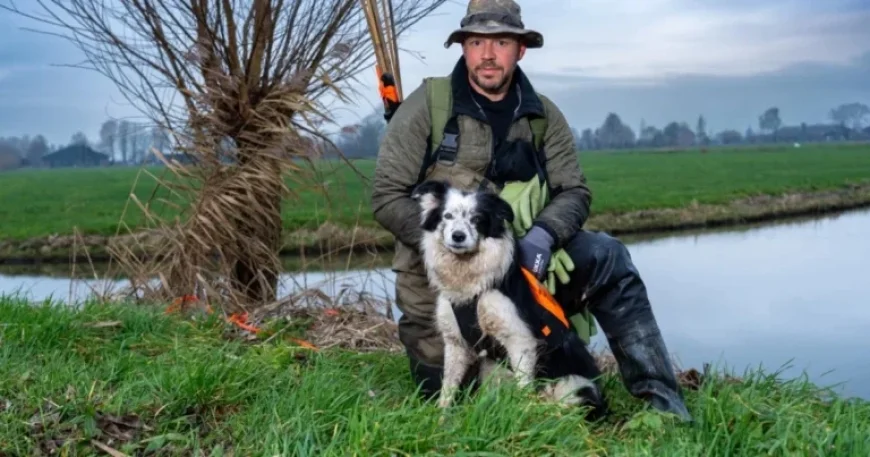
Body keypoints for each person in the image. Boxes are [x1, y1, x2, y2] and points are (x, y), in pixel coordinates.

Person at [370, 0, 693, 422]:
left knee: (608, 255)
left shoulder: (544, 116)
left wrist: (542, 237)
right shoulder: (427, 106)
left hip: (525, 273)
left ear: (520, 50)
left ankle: (663, 405)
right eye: (476, 42)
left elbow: (574, 191)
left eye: (501, 42)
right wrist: (447, 246)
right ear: (463, 47)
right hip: (442, 283)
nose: (487, 54)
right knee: (458, 397)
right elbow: (386, 195)